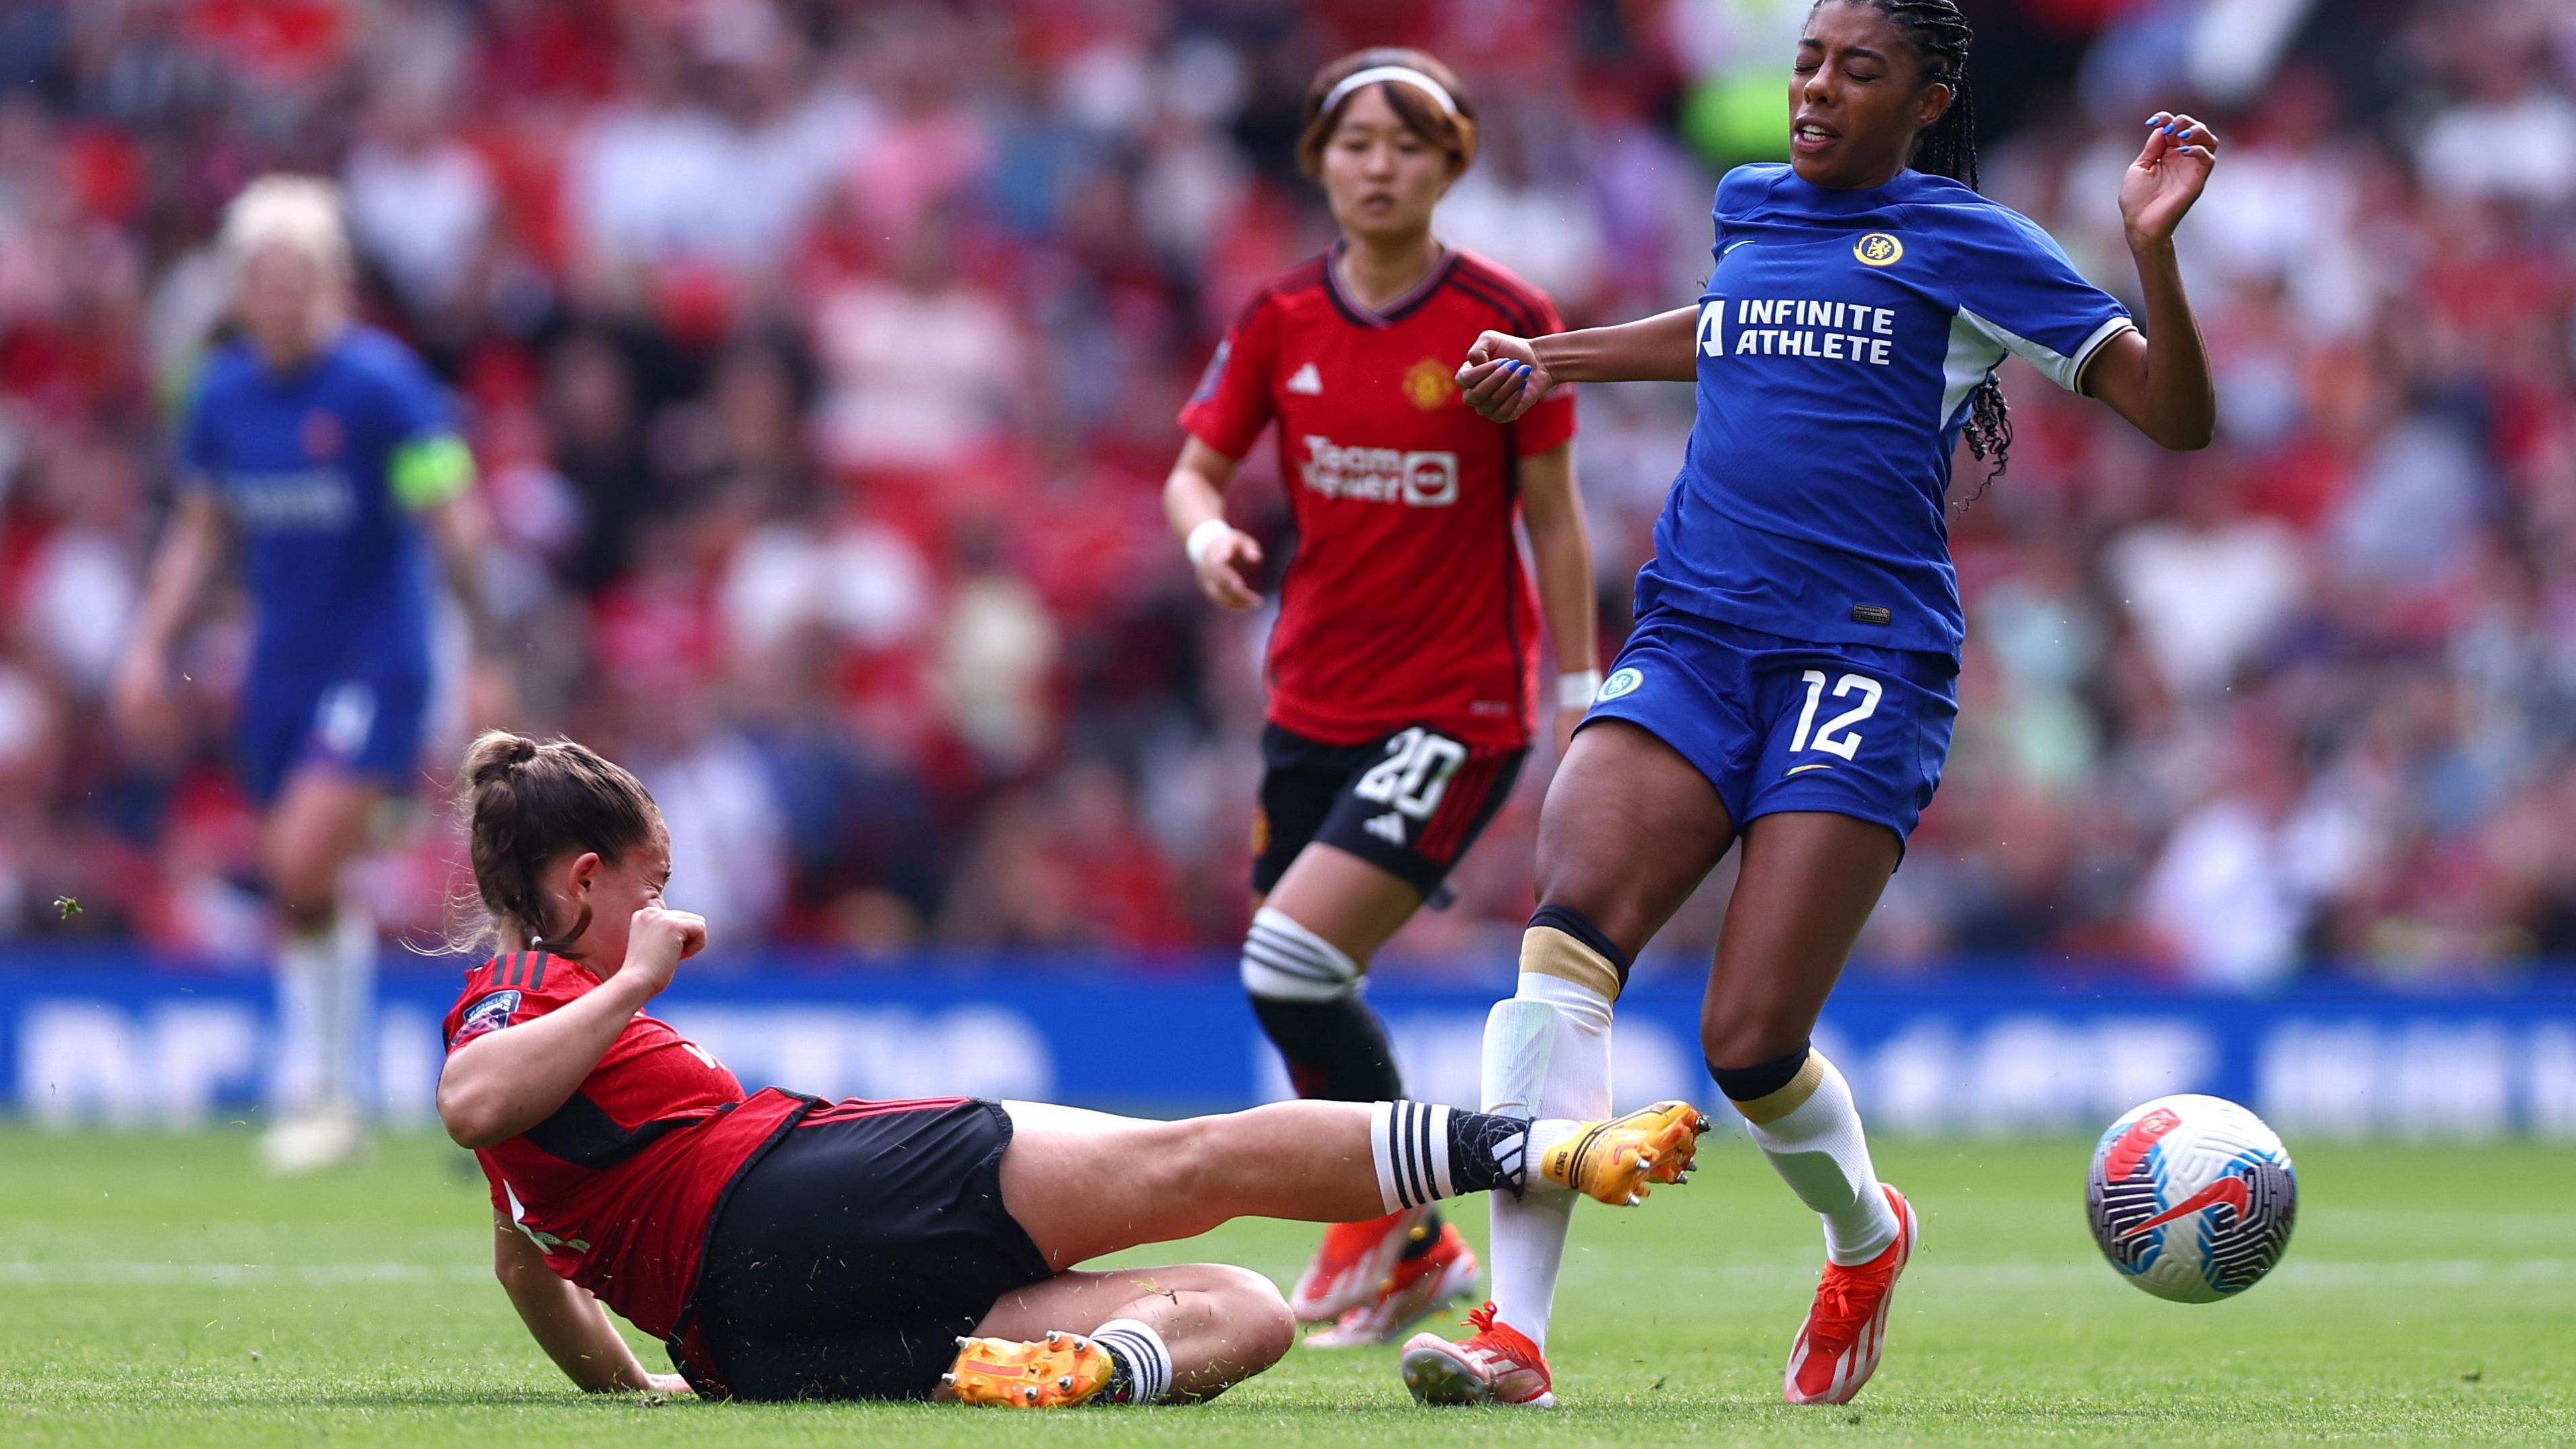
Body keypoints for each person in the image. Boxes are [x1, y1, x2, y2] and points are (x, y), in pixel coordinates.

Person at [1399, 0, 2220, 1409]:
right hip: (1700, 632)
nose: (1818, 91)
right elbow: (1731, 329)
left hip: (1866, 662)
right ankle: (1513, 1342)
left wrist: (2150, 254)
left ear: (1927, 97)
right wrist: (1558, 358)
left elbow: (2176, 417)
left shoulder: (1972, 243)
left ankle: (1862, 1234)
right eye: (1806, 62)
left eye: (1860, 70)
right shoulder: (1749, 205)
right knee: (1564, 941)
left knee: (1747, 1044)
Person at [434, 730, 1709, 1407]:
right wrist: (641, 976)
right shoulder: (525, 989)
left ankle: (1103, 1371)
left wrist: (647, 1390)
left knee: (1249, 1310)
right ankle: (1541, 1146)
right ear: (584, 879)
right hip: (797, 1198)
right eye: (652, 886)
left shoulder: (549, 1050)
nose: (667, 912)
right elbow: (470, 1099)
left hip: (757, 1346)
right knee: (1200, 1156)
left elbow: (522, 1268)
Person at [1163, 47, 1598, 1347]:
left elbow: (1557, 527)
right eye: (1355, 141)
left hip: (1457, 708)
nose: (1378, 164)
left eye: (1407, 144)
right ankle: (1412, 1244)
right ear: (1319, 160)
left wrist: (1577, 694)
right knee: (1291, 980)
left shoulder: (1504, 317)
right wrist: (1205, 538)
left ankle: (1384, 1221)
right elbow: (1193, 473)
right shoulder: (1280, 317)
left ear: (1451, 163)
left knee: (1290, 963)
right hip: (1310, 700)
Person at [112, 176, 502, 1173]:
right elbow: (201, 533)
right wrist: (152, 644)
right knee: (303, 881)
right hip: (279, 669)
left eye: (297, 277)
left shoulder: (379, 386)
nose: (279, 297)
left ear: (331, 283)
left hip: (376, 660)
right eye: (260, 278)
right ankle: (335, 1098)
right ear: (238, 290)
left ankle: (312, 1088)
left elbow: (445, 508)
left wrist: (485, 633)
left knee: (295, 862)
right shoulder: (224, 396)